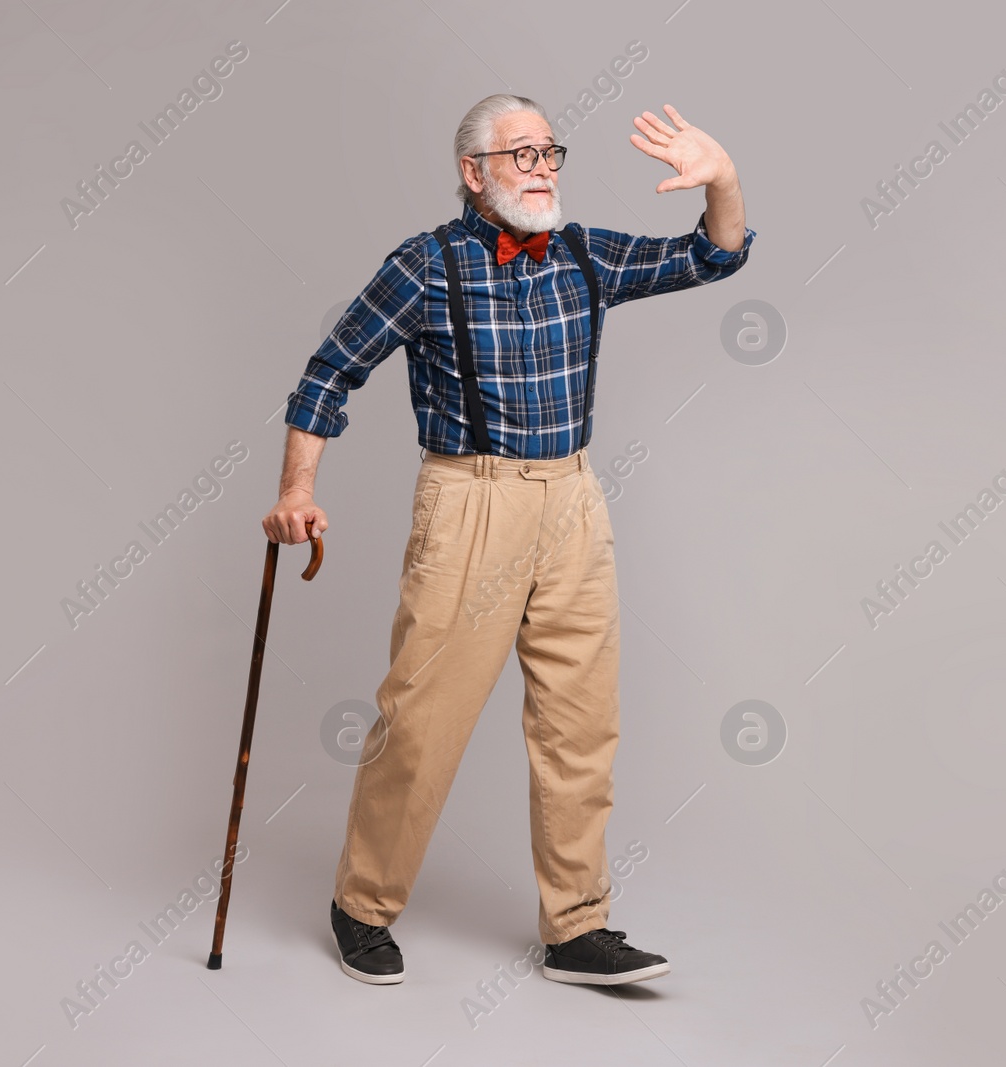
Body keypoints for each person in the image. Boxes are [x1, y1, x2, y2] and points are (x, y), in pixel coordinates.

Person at [261, 93, 755, 986]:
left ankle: (576, 927)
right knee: (423, 721)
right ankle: (362, 903)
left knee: (580, 723)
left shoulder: (583, 252)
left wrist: (722, 178)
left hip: (573, 499)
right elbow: (328, 373)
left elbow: (712, 255)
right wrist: (298, 490)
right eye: (520, 154)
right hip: (469, 502)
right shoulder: (425, 264)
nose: (542, 167)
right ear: (473, 172)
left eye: (549, 152)